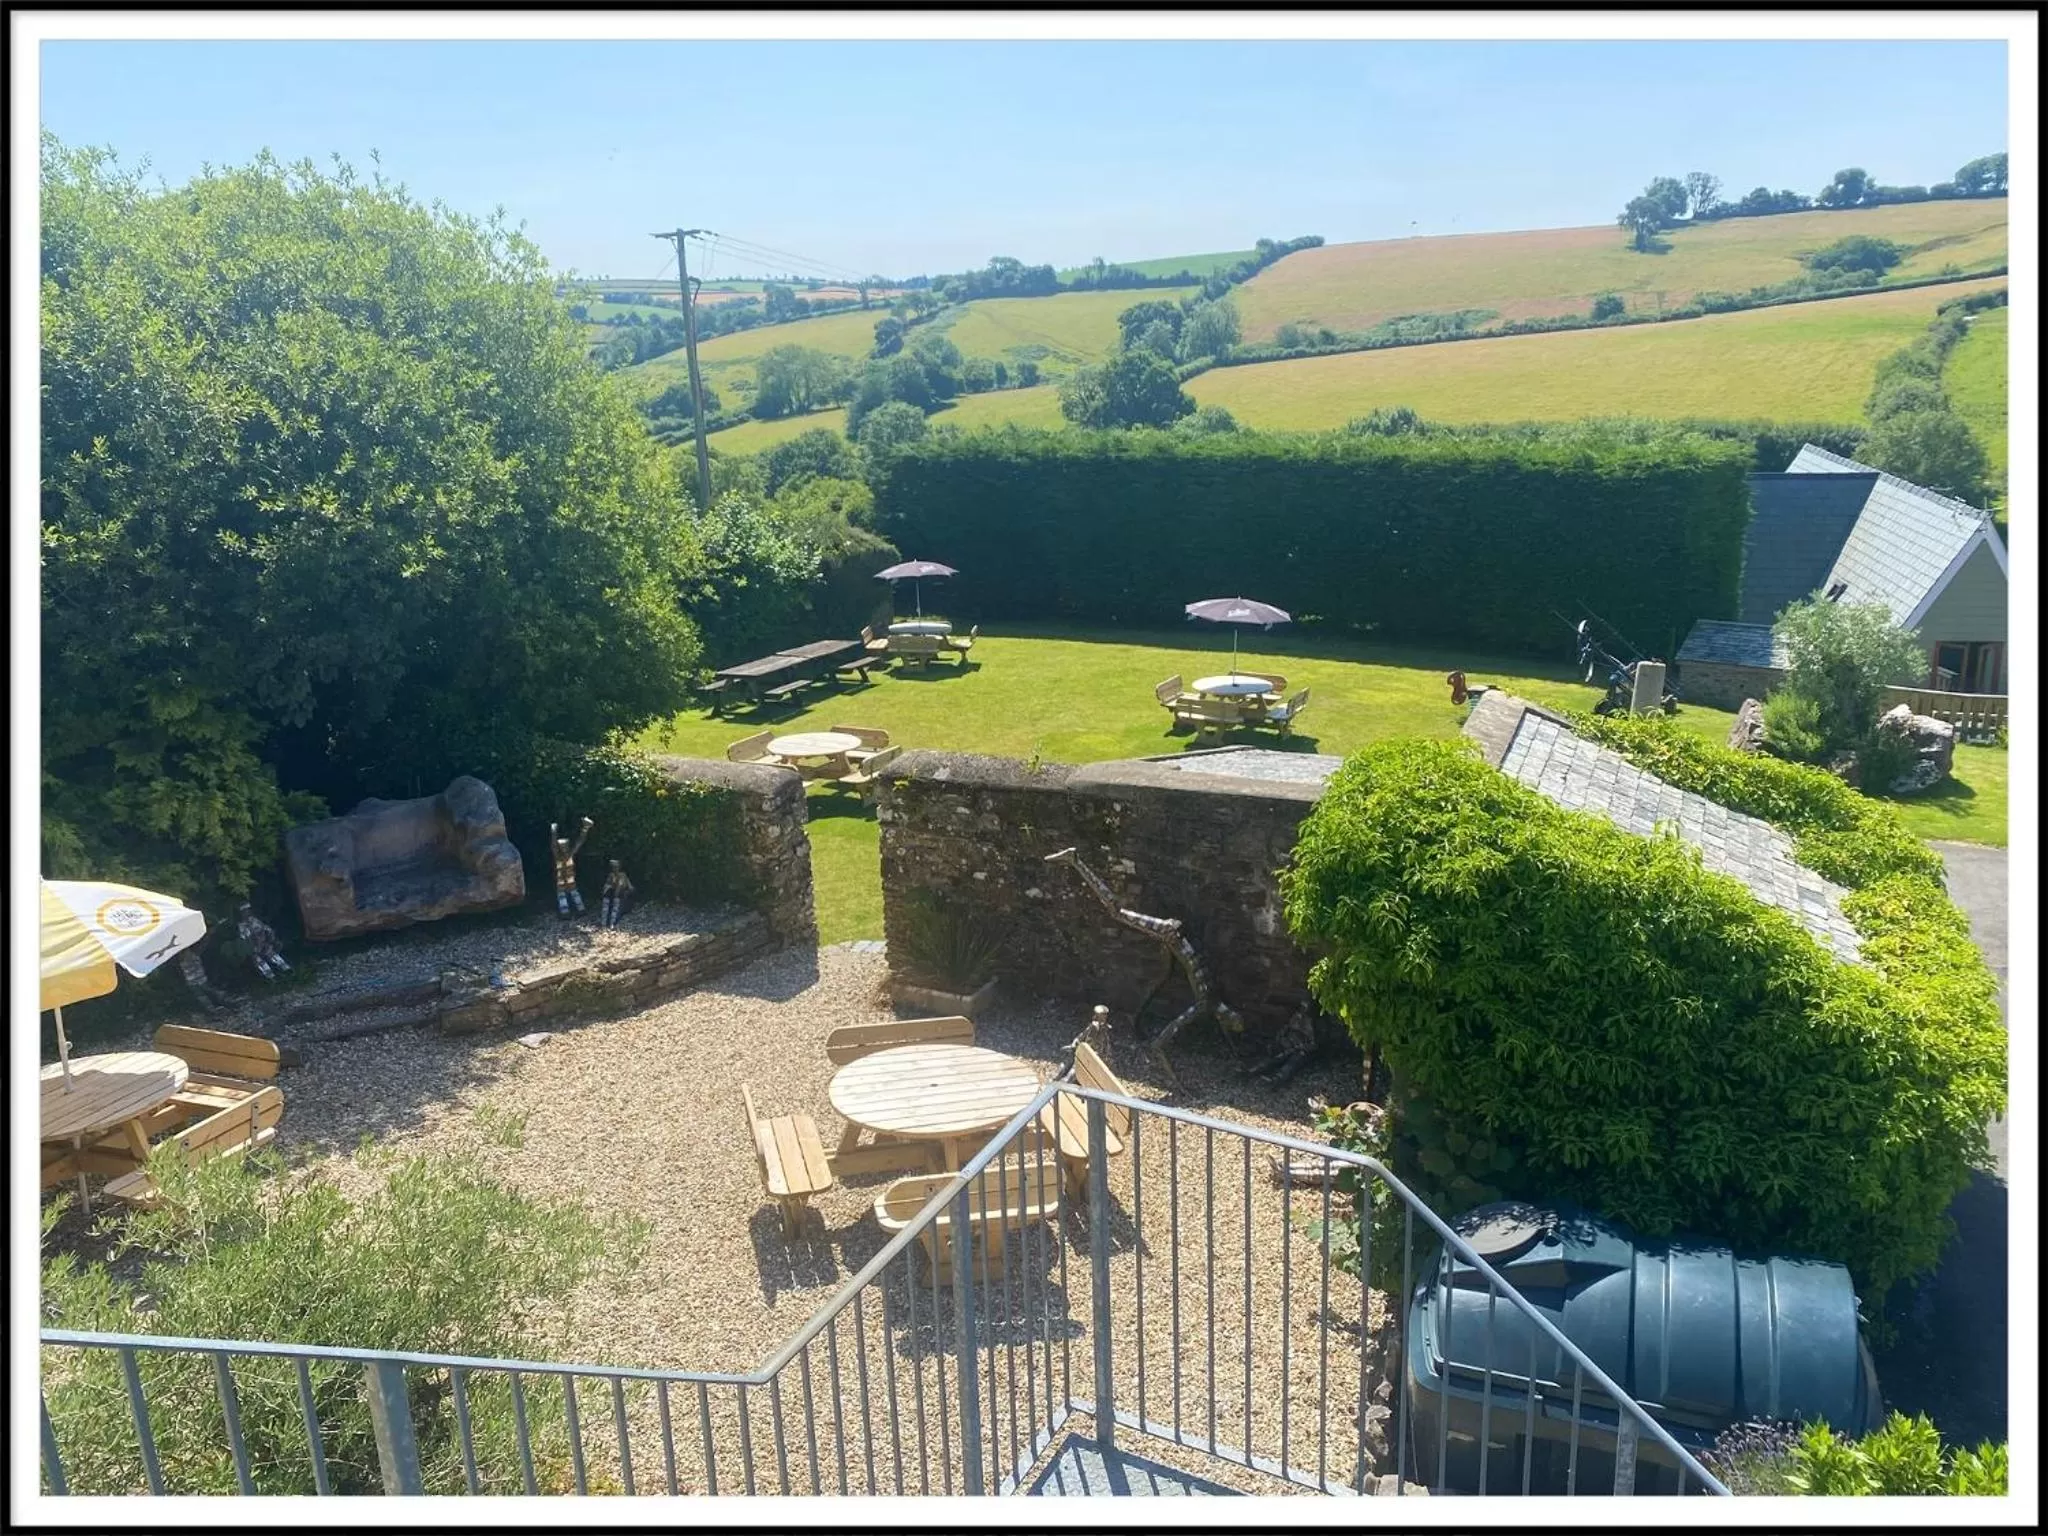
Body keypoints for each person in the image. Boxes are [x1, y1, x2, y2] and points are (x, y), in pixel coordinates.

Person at [551, 816, 594, 917]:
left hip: (566, 879)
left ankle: (575, 911)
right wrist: (553, 833)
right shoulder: (562, 857)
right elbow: (554, 846)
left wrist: (553, 833)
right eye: (561, 847)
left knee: (569, 895)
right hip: (563, 879)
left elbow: (579, 842)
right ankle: (571, 911)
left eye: (564, 847)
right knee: (568, 895)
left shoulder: (566, 856)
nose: (563, 849)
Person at [236, 904, 291, 980]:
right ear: (241, 913)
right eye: (245, 911)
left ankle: (287, 971)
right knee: (259, 962)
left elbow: (266, 929)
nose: (247, 912)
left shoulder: (255, 920)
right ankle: (271, 978)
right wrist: (252, 948)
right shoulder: (241, 926)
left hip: (264, 944)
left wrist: (271, 938)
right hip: (254, 948)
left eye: (248, 910)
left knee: (273, 955)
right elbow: (244, 939)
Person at [600, 860, 635, 928]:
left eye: (616, 867)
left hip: (621, 895)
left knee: (616, 905)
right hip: (612, 895)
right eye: (613, 867)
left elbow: (626, 886)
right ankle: (603, 923)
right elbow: (606, 886)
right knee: (606, 903)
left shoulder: (622, 875)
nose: (614, 869)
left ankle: (612, 923)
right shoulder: (611, 875)